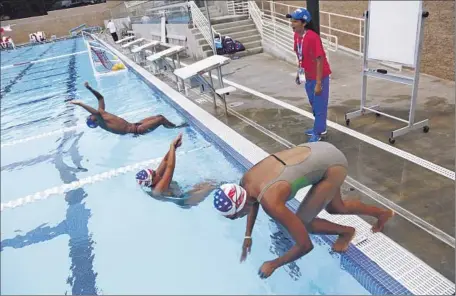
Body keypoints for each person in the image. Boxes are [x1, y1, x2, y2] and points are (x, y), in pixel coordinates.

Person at [213, 141, 394, 279]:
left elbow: (305, 245)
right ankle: (382, 214)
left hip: (333, 165)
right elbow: (252, 203)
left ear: (240, 206)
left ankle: (347, 232)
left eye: (234, 216)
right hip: (319, 150)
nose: (235, 219)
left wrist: (274, 264)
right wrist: (248, 235)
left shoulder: (271, 202)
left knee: (305, 223)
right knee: (336, 207)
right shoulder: (246, 182)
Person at [70, 82, 187, 135]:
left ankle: (172, 127)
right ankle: (176, 128)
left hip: (135, 125)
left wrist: (90, 88)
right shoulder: (102, 123)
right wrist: (81, 104)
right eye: (92, 117)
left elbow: (100, 98)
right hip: (138, 129)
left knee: (158, 117)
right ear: (94, 121)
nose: (92, 115)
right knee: (161, 119)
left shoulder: (101, 114)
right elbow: (96, 112)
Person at [136, 133, 218, 208]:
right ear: (151, 182)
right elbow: (170, 167)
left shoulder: (155, 178)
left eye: (153, 171)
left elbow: (165, 160)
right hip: (186, 201)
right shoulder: (158, 189)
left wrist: (175, 147)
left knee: (211, 181)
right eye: (154, 174)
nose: (156, 173)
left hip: (184, 194)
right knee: (213, 185)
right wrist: (171, 145)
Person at [287, 8, 332, 142]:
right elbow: (300, 56)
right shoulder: (297, 36)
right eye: (291, 20)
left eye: (295, 21)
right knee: (313, 104)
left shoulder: (313, 37)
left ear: (304, 23)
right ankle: (320, 127)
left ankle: (318, 133)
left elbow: (319, 60)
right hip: (307, 76)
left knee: (319, 105)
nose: (292, 24)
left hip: (320, 77)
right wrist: (298, 72)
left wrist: (319, 83)